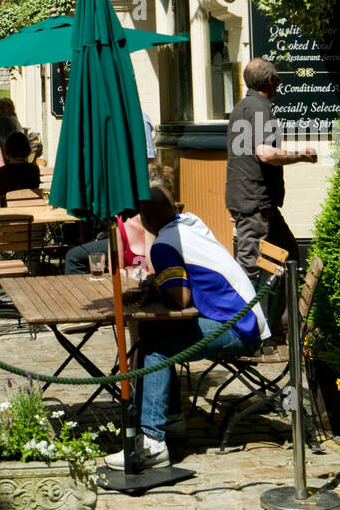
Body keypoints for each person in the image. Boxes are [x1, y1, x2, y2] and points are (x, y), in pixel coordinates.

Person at [104, 186, 270, 472]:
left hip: (238, 328)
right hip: (248, 318)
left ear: (146, 218)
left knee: (157, 344)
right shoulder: (190, 223)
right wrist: (159, 282)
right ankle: (170, 418)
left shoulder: (164, 245)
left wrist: (158, 284)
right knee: (155, 334)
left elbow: (181, 298)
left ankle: (153, 443)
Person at [225, 58, 317, 320]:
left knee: (288, 253)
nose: (278, 84)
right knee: (249, 270)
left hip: (251, 199)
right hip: (255, 202)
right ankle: (247, 333)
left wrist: (236, 202)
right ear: (269, 81)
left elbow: (239, 156)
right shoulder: (261, 108)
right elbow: (265, 154)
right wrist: (301, 154)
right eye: (277, 79)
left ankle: (286, 322)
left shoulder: (240, 108)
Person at [64, 211, 151, 276]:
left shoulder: (159, 231)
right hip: (115, 238)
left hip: (147, 280)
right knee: (73, 256)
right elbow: (117, 270)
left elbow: (154, 271)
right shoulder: (122, 224)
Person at [0, 131, 41, 207]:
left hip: (9, 216)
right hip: (30, 215)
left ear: (7, 150)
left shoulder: (1, 172)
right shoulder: (34, 170)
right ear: (27, 149)